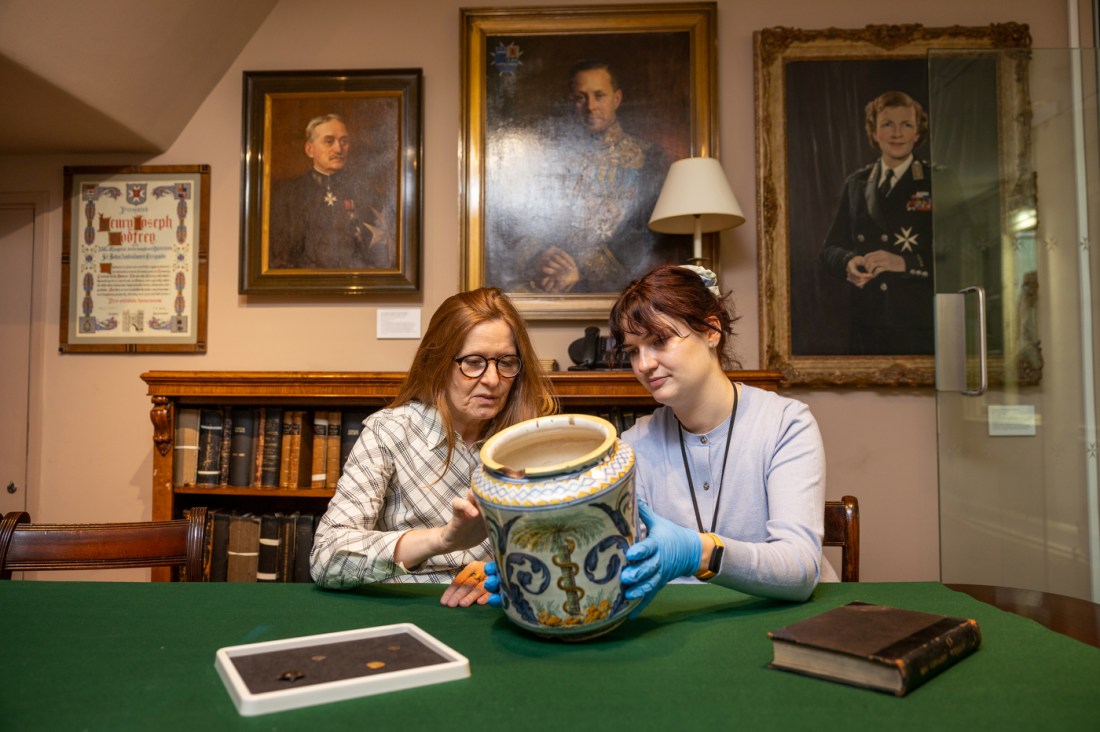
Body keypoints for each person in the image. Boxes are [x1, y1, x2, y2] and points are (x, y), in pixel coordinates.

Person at [487, 265, 833, 612]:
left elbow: (800, 569)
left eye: (659, 341)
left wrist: (699, 552)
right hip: (684, 624)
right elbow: (621, 562)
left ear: (711, 331)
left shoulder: (785, 424)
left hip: (780, 618)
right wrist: (539, 574)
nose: (644, 364)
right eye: (633, 351)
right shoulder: (635, 444)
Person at [310, 287, 556, 607]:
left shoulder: (532, 438)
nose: (493, 380)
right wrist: (442, 539)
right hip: (405, 608)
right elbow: (325, 558)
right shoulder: (389, 432)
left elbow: (561, 547)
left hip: (493, 609)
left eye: (506, 362)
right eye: (473, 362)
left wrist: (501, 573)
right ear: (437, 363)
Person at [486, 59, 677, 294]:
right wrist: (539, 256)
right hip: (546, 284)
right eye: (580, 98)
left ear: (617, 98)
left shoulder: (649, 158)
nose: (590, 106)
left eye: (599, 96)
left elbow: (646, 233)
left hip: (617, 290)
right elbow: (512, 220)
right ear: (571, 101)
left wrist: (582, 271)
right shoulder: (546, 157)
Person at [820, 90, 935, 355]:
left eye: (906, 125)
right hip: (868, 322)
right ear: (874, 132)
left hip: (918, 326)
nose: (897, 133)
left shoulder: (937, 181)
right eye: (887, 124)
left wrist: (905, 262)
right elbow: (829, 250)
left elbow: (961, 255)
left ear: (917, 133)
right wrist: (849, 261)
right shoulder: (856, 183)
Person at [268, 113, 394, 270]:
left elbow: (378, 253)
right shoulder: (288, 194)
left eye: (344, 141)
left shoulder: (367, 192)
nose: (338, 149)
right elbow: (279, 255)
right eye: (329, 141)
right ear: (310, 149)